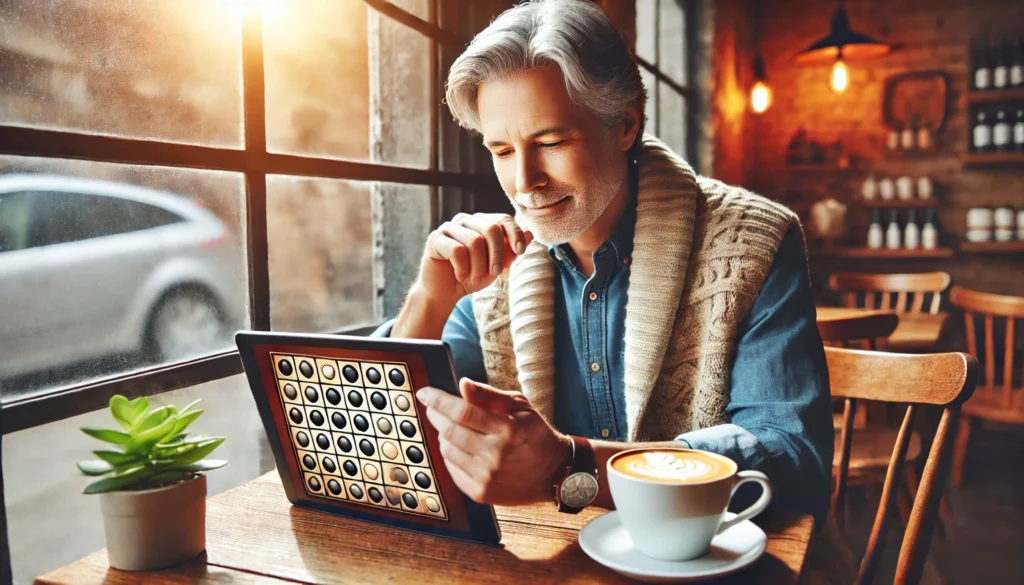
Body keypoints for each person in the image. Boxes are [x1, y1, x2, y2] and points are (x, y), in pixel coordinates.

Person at [375, 0, 832, 526]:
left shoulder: (756, 240)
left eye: (551, 142)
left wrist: (572, 466)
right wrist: (429, 300)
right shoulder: (491, 268)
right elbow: (383, 440)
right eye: (501, 150)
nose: (524, 182)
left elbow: (797, 464)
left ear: (625, 125)